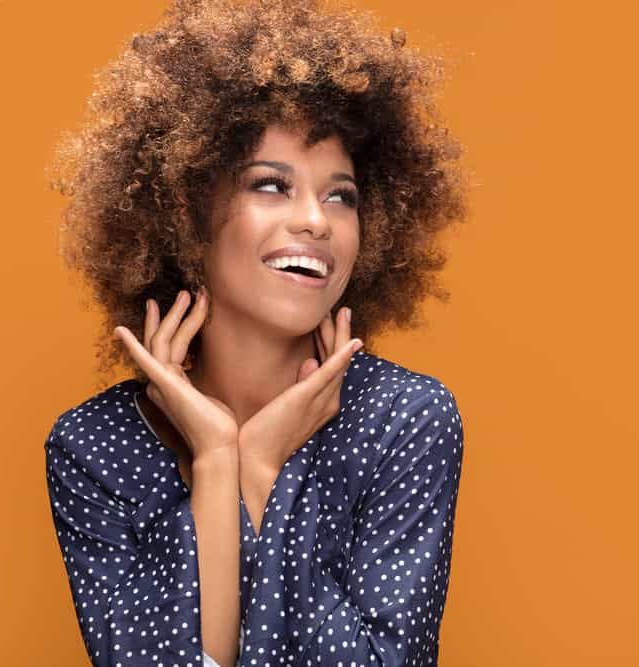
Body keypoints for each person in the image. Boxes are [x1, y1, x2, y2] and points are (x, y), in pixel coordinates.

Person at [43, 0, 470, 665]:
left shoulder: (403, 421)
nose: (317, 222)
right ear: (184, 210)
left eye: (341, 195)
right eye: (272, 185)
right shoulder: (95, 449)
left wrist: (267, 471)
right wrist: (220, 462)